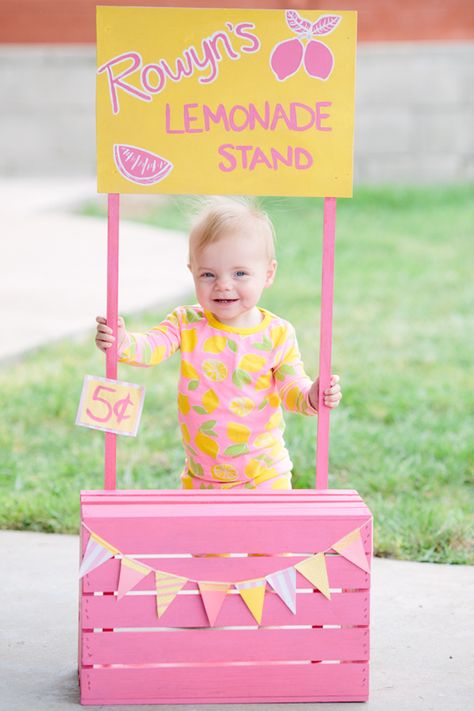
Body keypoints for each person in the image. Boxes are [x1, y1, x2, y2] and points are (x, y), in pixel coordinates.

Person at [95, 196, 342, 490]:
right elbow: (150, 347)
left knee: (263, 537)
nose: (223, 284)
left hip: (264, 475)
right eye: (208, 274)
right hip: (201, 478)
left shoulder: (277, 334)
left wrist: (311, 396)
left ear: (268, 274)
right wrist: (121, 341)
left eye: (240, 273)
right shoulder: (186, 323)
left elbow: (291, 389)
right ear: (192, 274)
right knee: (203, 538)